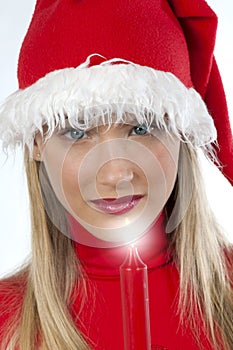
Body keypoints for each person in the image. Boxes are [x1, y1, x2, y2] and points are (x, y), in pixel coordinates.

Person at [0, 0, 232, 349]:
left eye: (141, 127)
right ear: (35, 142)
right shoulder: (6, 321)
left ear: (181, 132)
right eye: (77, 132)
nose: (116, 173)